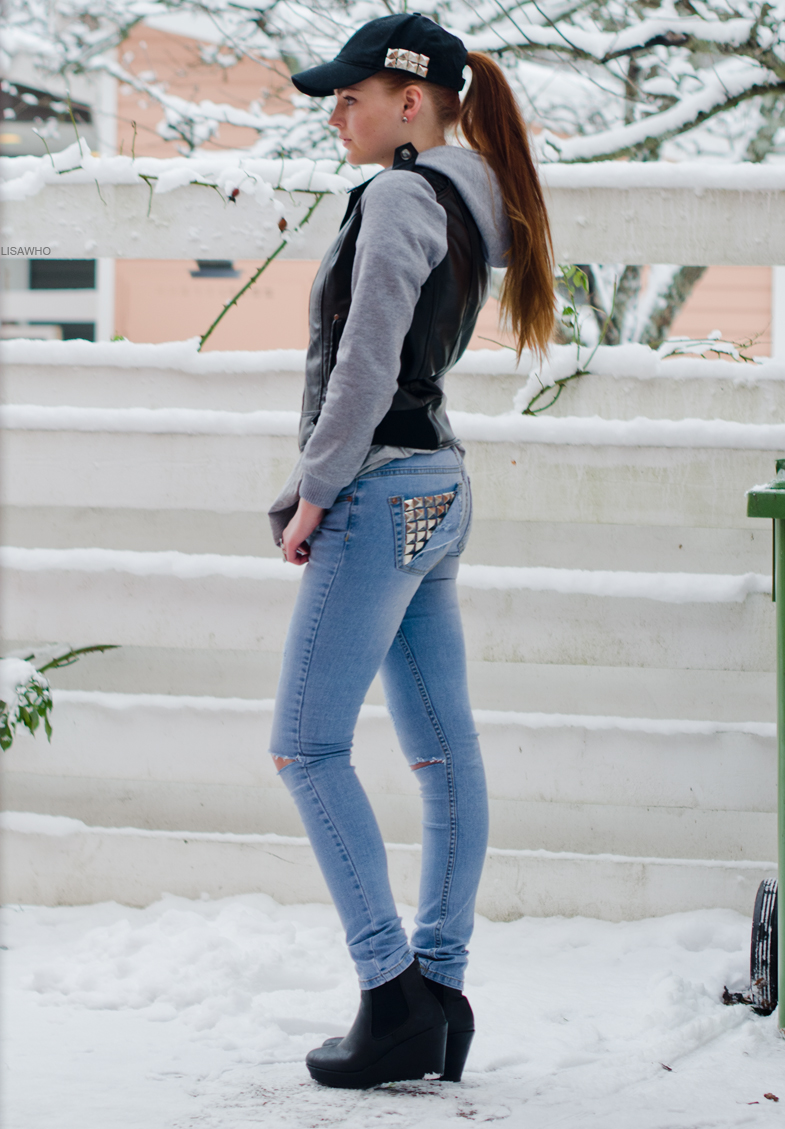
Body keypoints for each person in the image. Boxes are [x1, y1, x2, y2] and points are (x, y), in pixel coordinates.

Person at [267, 12, 554, 1090]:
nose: (335, 115)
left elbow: (366, 364)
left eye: (349, 97)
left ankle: (391, 995)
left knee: (305, 746)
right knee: (442, 752)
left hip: (381, 488)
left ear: (409, 100)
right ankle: (442, 993)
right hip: (437, 489)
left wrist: (312, 490)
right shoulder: (469, 198)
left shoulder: (397, 196)